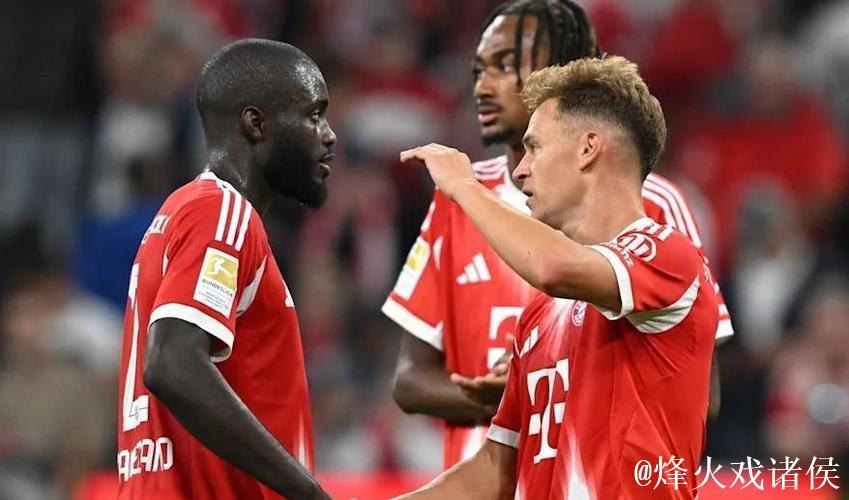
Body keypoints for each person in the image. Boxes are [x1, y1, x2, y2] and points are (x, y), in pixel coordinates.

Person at [383, 0, 731, 471]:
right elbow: (409, 382)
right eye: (479, 70)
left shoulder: (656, 209)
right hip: (496, 474)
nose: (482, 86)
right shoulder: (460, 205)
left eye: (506, 65)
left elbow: (699, 390)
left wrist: (545, 397)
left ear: (561, 70)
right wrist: (520, 395)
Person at [116, 39, 336, 500]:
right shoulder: (221, 212)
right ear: (256, 124)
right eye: (314, 115)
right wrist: (309, 494)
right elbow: (172, 363)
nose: (329, 135)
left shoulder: (183, 213)